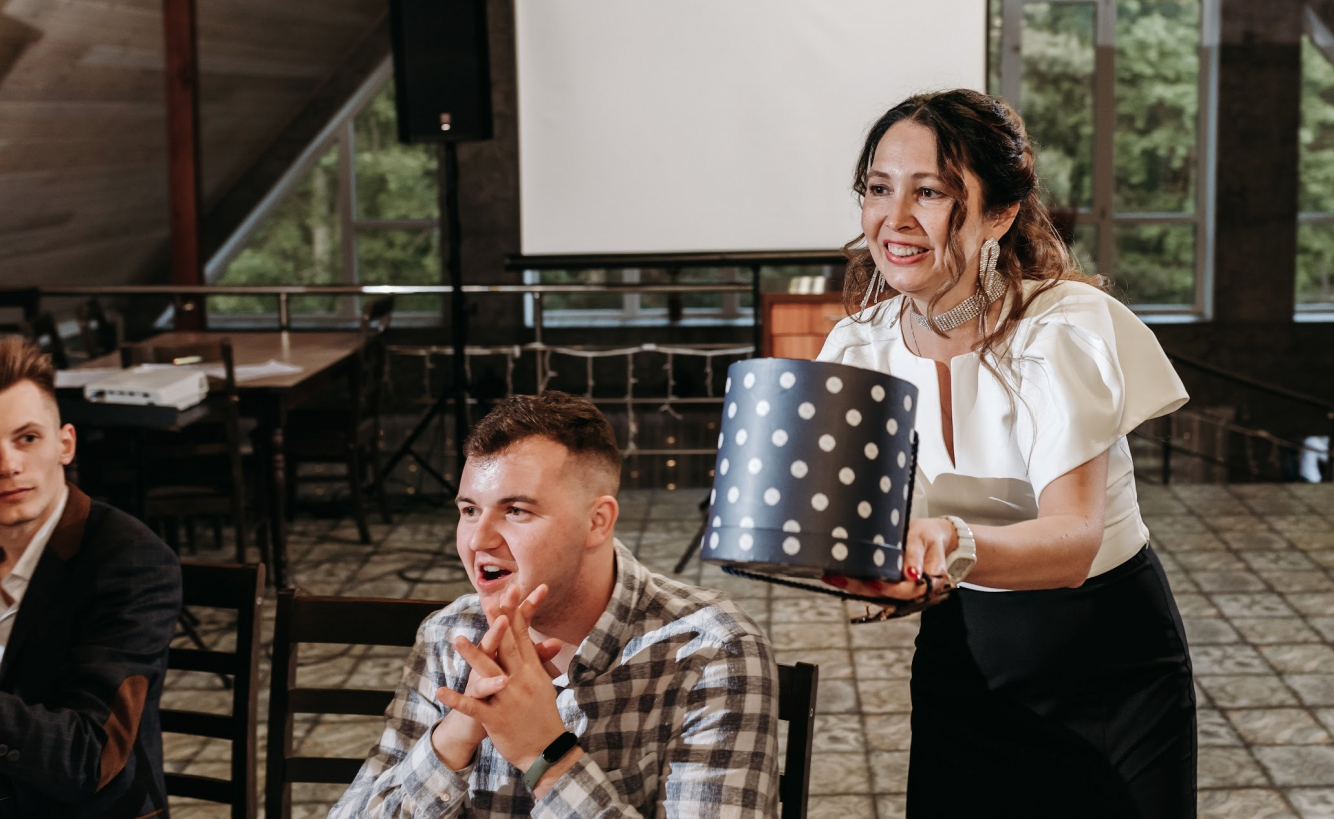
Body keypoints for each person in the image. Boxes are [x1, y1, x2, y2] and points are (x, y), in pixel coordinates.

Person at [817, 90, 1195, 818]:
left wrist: (943, 542)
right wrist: (876, 576)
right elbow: (868, 539)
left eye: (929, 192)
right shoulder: (857, 347)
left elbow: (1072, 540)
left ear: (1000, 212)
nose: (893, 220)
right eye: (877, 188)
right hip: (966, 655)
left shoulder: (1065, 328)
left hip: (1106, 657)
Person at [332, 392, 779, 819]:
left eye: (516, 511)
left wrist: (542, 751)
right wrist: (456, 733)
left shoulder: (713, 650)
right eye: (469, 510)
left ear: (596, 521)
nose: (478, 540)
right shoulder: (450, 634)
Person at [0, 335, 182, 819]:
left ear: (65, 444)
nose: (7, 465)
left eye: (27, 438)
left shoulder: (132, 561)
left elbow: (90, 757)